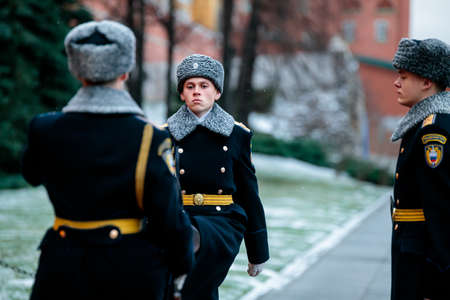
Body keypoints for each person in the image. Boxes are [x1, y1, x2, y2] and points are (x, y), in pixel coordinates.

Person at [21, 20, 194, 300]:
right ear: (126, 71)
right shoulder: (149, 137)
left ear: (75, 70)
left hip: (60, 269)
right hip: (128, 272)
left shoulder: (44, 128)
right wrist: (182, 264)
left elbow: (31, 174)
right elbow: (169, 220)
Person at [163, 54, 270, 300]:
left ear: (217, 92)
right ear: (181, 93)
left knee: (188, 278)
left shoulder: (236, 135)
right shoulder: (164, 134)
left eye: (204, 86)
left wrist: (258, 252)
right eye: (190, 86)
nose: (197, 92)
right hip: (180, 218)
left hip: (222, 222)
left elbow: (248, 193)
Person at [390, 38, 450, 300]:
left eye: (404, 76)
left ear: (427, 82)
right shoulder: (422, 123)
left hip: (422, 263)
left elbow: (442, 208)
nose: (396, 82)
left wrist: (438, 275)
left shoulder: (433, 129)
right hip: (412, 252)